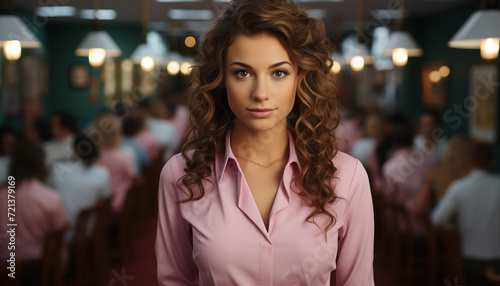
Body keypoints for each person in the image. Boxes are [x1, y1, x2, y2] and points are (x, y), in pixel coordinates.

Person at [155, 0, 374, 285]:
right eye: (242, 73)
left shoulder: (347, 178)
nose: (260, 93)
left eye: (279, 73)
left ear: (300, 78)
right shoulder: (180, 175)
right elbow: (175, 280)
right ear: (221, 79)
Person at [0, 139, 68, 284]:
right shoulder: (51, 197)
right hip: (39, 265)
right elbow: (61, 230)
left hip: (5, 267)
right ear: (41, 163)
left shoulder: (2, 194)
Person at [431, 141, 500, 285]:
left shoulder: (459, 188)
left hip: (467, 261)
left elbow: (436, 219)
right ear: (492, 162)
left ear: (469, 162)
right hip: (496, 261)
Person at [48, 131, 111, 242]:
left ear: (75, 150)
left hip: (62, 233)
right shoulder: (102, 173)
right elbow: (105, 200)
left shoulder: (57, 168)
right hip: (90, 231)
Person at [412, 135, 472, 216]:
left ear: (449, 152)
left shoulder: (435, 174)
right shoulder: (474, 182)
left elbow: (417, 209)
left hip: (441, 225)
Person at [93, 112, 135, 213]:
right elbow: (131, 179)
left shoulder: (92, 158)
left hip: (95, 205)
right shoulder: (125, 157)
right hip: (117, 204)